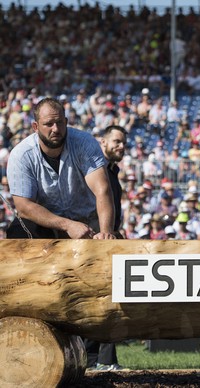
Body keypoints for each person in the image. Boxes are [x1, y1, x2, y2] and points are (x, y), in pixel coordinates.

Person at [6, 97, 116, 240]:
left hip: (90, 222)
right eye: (49, 124)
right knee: (19, 229)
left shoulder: (85, 143)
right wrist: (67, 225)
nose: (55, 129)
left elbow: (103, 189)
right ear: (35, 127)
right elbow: (24, 207)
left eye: (59, 123)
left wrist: (105, 233)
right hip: (48, 224)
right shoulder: (21, 155)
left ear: (66, 122)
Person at [83, 125, 128, 371]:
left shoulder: (112, 171)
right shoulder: (95, 169)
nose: (121, 146)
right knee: (106, 301)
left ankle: (97, 359)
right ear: (103, 142)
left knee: (105, 300)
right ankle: (102, 360)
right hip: (96, 241)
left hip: (107, 239)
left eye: (123, 143)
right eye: (117, 141)